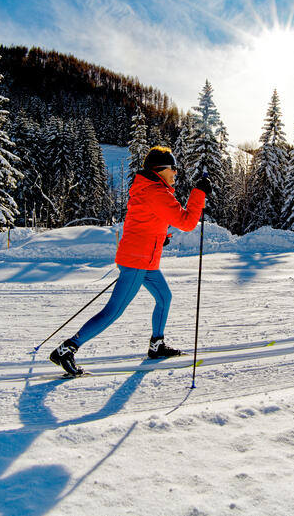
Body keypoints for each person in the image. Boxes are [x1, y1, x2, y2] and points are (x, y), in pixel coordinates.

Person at [50, 146, 212, 376]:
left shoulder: (150, 189)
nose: (176, 172)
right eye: (173, 168)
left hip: (144, 259)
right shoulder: (156, 192)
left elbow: (146, 219)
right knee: (114, 311)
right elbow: (186, 222)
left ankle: (157, 345)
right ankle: (67, 349)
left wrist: (161, 237)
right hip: (138, 260)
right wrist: (199, 193)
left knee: (164, 297)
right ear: (161, 169)